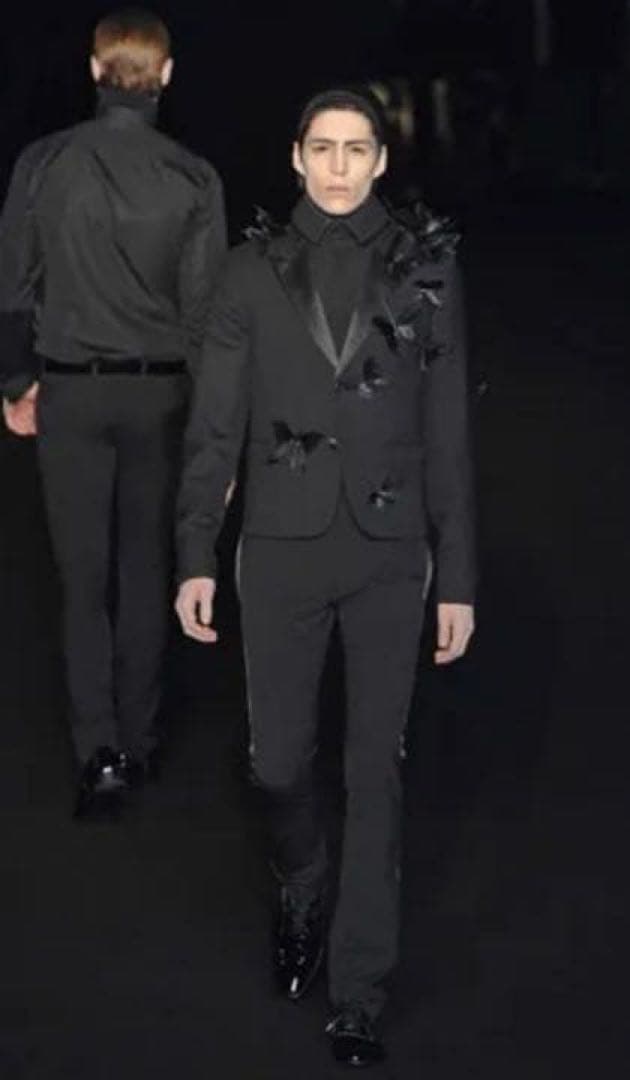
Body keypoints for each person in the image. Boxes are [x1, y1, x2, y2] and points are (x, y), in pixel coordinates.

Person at [175, 87, 475, 1067]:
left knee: (375, 769)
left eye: (357, 149)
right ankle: (300, 878)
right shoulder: (248, 270)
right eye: (323, 148)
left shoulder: (427, 263)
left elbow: (448, 431)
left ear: (380, 161)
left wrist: (458, 573)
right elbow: (215, 426)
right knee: (277, 764)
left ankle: (360, 989)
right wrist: (194, 552)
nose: (340, 166)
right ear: (296, 157)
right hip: (280, 549)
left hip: (390, 553)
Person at [0, 8, 226, 817]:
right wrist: (213, 426)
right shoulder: (194, 177)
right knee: (145, 569)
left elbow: (12, 285)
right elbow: (204, 317)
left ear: (95, 70)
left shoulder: (43, 162)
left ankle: (98, 753)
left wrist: (15, 381)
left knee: (81, 578)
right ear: (166, 76)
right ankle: (140, 738)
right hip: (159, 395)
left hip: (71, 392)